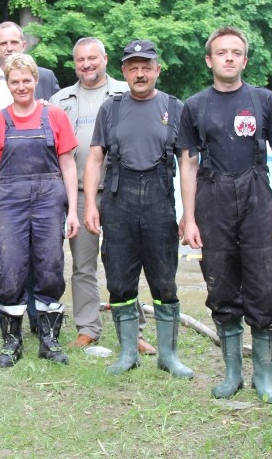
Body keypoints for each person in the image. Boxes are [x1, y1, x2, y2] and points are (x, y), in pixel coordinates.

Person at [180, 26, 272, 404]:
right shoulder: (195, 106)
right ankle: (232, 375)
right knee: (222, 285)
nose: (229, 57)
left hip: (257, 200)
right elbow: (188, 165)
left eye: (236, 52)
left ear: (245, 60)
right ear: (209, 60)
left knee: (265, 287)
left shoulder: (263, 100)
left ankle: (264, 377)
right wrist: (190, 217)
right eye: (221, 52)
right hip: (213, 200)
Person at [83, 40, 193, 378]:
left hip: (160, 202)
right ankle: (128, 352)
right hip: (119, 202)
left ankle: (168, 356)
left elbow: (188, 164)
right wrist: (90, 204)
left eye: (147, 67)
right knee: (119, 280)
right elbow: (95, 159)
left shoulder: (176, 108)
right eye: (133, 67)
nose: (140, 73)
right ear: (124, 71)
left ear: (157, 70)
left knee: (165, 282)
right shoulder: (111, 109)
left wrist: (189, 215)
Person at [49, 37, 157, 355]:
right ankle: (87, 328)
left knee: (123, 263)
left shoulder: (126, 93)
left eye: (92, 58)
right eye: (81, 60)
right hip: (79, 193)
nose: (87, 65)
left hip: (121, 191)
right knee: (82, 265)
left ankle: (132, 330)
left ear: (105, 59)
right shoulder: (60, 100)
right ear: (74, 64)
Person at [0, 53, 79, 368]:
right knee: (9, 269)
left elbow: (68, 165)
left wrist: (72, 210)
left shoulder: (55, 117)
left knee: (49, 265)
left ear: (36, 81)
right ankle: (12, 343)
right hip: (8, 201)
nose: (21, 86)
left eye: (26, 80)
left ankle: (49, 341)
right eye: (14, 81)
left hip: (49, 200)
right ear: (7, 84)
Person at [0, 21, 60, 340]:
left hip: (36, 179)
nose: (9, 47)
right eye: (3, 42)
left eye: (15, 41)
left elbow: (54, 127)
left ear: (24, 45)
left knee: (36, 250)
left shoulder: (43, 77)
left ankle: (35, 316)